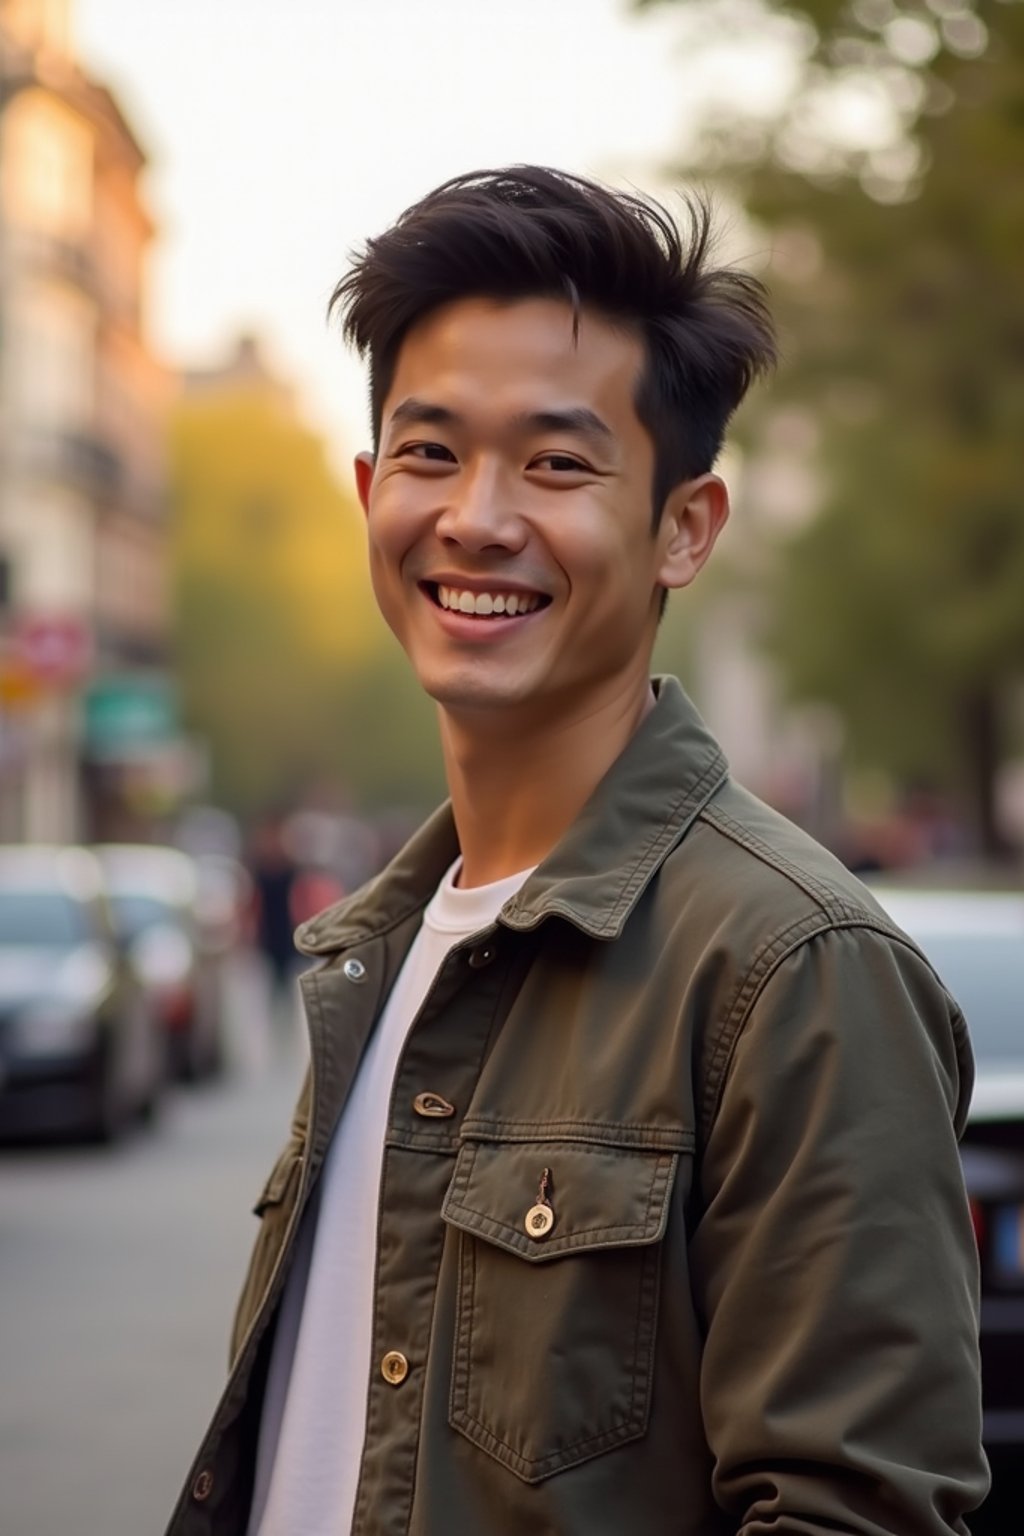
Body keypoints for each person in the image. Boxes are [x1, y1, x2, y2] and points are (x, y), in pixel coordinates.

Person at [165, 167, 988, 1535]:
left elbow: (862, 1511)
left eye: (556, 463)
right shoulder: (373, 954)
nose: (477, 518)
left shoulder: (793, 973)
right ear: (369, 490)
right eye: (430, 452)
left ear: (685, 527)